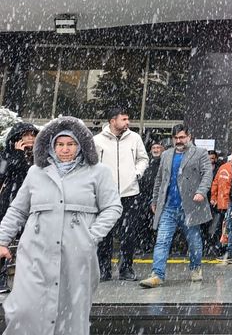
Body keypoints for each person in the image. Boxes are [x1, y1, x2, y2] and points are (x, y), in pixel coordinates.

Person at [0, 116, 122, 335]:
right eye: (60, 144)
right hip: (36, 252)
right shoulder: (36, 173)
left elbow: (113, 207)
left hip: (76, 253)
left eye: (71, 144)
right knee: (24, 310)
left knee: (71, 311)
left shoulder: (98, 172)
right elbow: (18, 210)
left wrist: (91, 236)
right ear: (52, 145)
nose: (65, 149)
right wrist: (1, 239)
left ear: (80, 145)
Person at [139, 124, 213, 288]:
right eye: (176, 138)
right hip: (168, 207)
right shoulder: (166, 155)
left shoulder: (200, 153)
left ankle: (195, 268)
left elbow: (207, 174)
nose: (179, 141)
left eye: (181, 137)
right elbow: (160, 179)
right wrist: (155, 200)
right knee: (162, 241)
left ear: (189, 137)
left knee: (193, 241)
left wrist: (201, 191)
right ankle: (157, 274)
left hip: (190, 206)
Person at [93, 107, 149, 281]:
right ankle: (104, 269)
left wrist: (136, 173)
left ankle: (126, 268)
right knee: (104, 234)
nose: (127, 122)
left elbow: (143, 158)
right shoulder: (97, 140)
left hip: (130, 193)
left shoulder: (135, 138)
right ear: (112, 121)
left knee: (128, 234)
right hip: (105, 194)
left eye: (127, 119)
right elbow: (91, 164)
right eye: (123, 119)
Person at [0, 122, 38, 293]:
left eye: (32, 134)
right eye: (26, 134)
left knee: (30, 242)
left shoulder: (39, 156)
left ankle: (29, 280)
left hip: (32, 204)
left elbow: (31, 175)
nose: (30, 137)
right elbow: (5, 173)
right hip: (8, 203)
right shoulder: (6, 155)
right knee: (4, 241)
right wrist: (17, 155)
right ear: (17, 138)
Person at [137, 140, 165, 255]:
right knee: (143, 223)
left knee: (159, 224)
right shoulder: (146, 162)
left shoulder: (165, 162)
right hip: (144, 198)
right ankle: (145, 246)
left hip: (160, 198)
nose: (156, 150)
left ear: (162, 149)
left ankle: (158, 247)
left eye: (158, 147)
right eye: (154, 147)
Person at [209, 156, 232, 258]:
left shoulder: (222, 168)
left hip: (221, 203)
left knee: (221, 227)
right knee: (228, 228)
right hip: (229, 202)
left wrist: (213, 197)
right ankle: (223, 248)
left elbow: (215, 183)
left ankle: (217, 247)